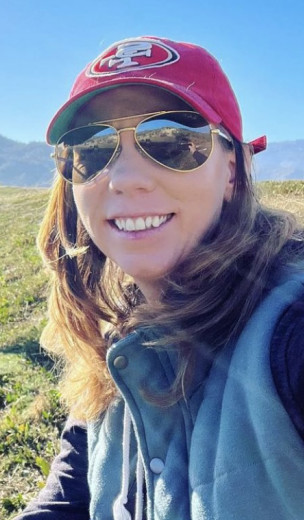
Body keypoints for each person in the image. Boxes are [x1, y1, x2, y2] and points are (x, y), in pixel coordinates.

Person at [15, 36, 304, 520]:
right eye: (92, 148)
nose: (125, 176)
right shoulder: (114, 337)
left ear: (232, 171)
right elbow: (68, 497)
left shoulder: (290, 332)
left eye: (170, 140)